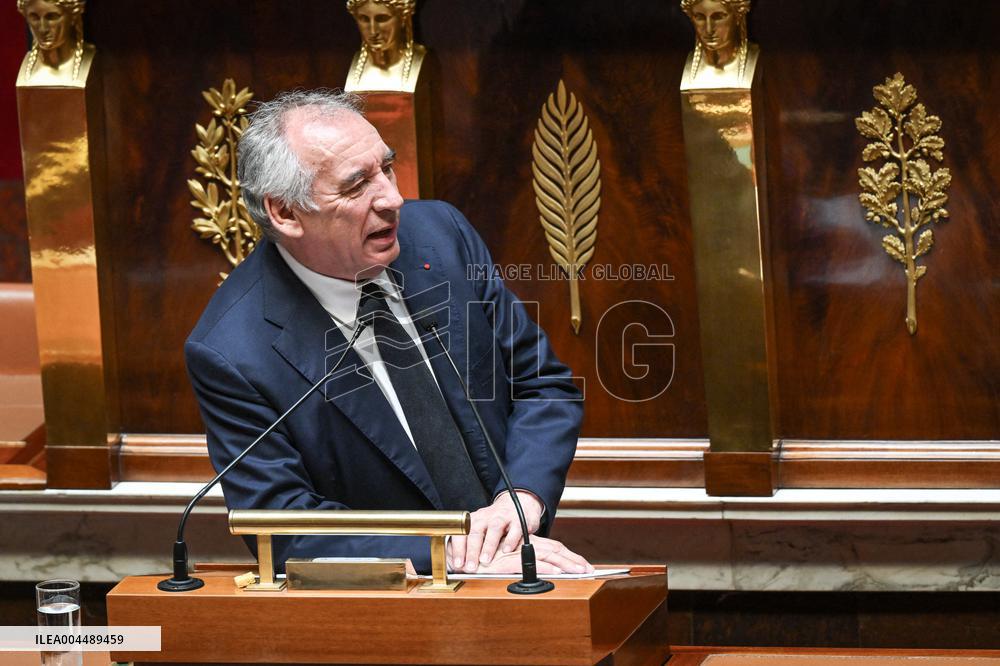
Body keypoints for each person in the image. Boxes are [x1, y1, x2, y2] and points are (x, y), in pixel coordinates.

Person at [185, 89, 591, 575]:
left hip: (526, 574)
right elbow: (285, 529)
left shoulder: (442, 234)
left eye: (387, 167)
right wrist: (452, 554)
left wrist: (522, 498)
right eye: (356, 185)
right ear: (286, 213)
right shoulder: (233, 350)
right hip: (387, 611)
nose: (393, 199)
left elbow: (541, 385)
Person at [344, 0, 426, 92]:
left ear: (403, 18)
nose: (373, 31)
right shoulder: (356, 68)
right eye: (364, 19)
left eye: (382, 19)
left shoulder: (420, 61)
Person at [679, 0, 756, 88]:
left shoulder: (752, 60)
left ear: (738, 16)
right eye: (700, 17)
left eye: (718, 17)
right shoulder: (689, 68)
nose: (709, 29)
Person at [16, 0, 94, 85]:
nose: (43, 29)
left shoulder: (92, 61)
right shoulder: (27, 69)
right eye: (34, 17)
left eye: (52, 17)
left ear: (73, 17)